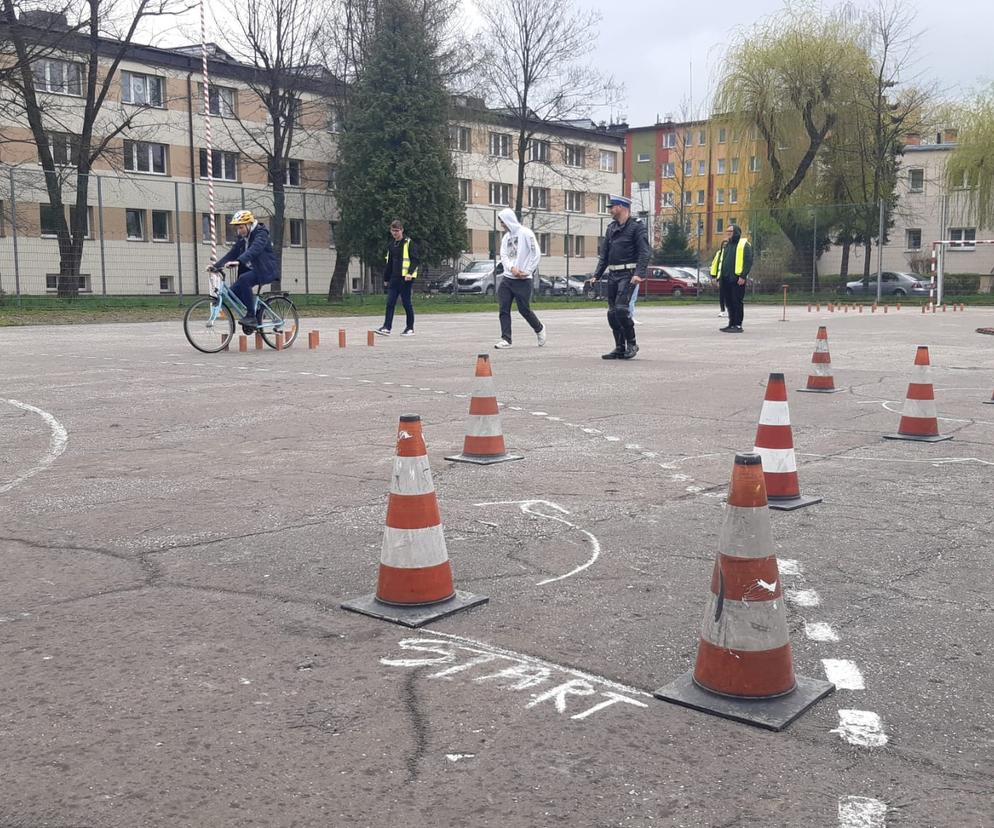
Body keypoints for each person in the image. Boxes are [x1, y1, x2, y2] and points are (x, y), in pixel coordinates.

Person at [587, 194, 651, 359]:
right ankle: (619, 347)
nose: (610, 209)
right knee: (612, 313)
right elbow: (604, 255)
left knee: (622, 310)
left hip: (628, 275)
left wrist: (639, 274)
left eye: (612, 206)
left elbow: (645, 252)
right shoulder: (611, 228)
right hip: (613, 275)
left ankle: (632, 343)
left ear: (621, 207)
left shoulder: (637, 227)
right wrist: (596, 275)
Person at [208, 210, 278, 328]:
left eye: (241, 228)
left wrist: (239, 261)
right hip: (252, 270)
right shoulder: (243, 238)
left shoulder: (261, 234)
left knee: (244, 279)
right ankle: (255, 313)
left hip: (265, 270)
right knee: (231, 295)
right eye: (238, 229)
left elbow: (255, 249)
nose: (239, 231)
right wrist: (216, 266)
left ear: (249, 224)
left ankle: (251, 316)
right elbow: (232, 253)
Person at [493, 208, 546, 349]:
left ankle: (539, 328)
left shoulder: (526, 233)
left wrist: (527, 271)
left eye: (503, 222)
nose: (502, 225)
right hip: (507, 279)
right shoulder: (506, 238)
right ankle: (506, 339)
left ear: (508, 220)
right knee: (503, 308)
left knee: (524, 309)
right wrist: (512, 269)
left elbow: (536, 253)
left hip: (523, 280)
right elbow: (503, 255)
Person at [374, 219, 419, 336]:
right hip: (394, 278)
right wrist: (386, 278)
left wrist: (409, 273)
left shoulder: (409, 243)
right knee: (390, 303)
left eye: (397, 231)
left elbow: (415, 260)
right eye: (393, 231)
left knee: (406, 303)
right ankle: (386, 327)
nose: (395, 233)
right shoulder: (391, 245)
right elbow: (389, 263)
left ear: (402, 230)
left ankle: (410, 328)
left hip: (405, 278)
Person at [710, 224, 753, 333]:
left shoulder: (744, 245)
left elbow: (748, 261)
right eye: (727, 230)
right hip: (725, 279)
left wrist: (743, 276)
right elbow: (719, 261)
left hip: (737, 279)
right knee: (728, 302)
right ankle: (731, 323)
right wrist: (717, 277)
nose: (728, 232)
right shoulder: (726, 245)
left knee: (737, 301)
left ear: (736, 232)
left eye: (730, 231)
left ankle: (738, 325)